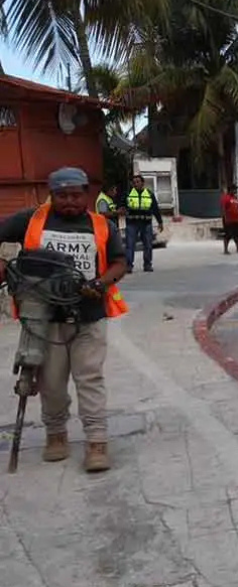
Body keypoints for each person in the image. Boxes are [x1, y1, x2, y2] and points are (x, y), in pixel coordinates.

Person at [0, 167, 129, 472]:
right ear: (51, 194)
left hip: (89, 316)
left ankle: (97, 442)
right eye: (62, 195)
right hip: (45, 320)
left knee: (90, 379)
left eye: (75, 195)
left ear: (86, 194)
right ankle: (55, 435)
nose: (69, 201)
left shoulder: (102, 225)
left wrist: (101, 283)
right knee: (52, 383)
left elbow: (120, 262)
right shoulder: (31, 219)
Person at [125, 174, 163, 272]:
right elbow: (121, 206)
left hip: (146, 223)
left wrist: (160, 222)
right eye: (134, 182)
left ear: (142, 183)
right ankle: (129, 265)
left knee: (148, 245)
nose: (136, 184)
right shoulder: (128, 194)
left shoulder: (149, 194)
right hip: (132, 223)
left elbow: (155, 209)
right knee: (130, 245)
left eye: (138, 182)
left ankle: (147, 264)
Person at [220, 185, 238, 255]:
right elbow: (223, 209)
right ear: (230, 190)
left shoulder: (236, 199)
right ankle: (225, 250)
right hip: (229, 220)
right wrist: (225, 218)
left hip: (237, 220)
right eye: (234, 189)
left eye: (235, 189)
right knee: (228, 234)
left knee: (237, 234)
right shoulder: (225, 198)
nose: (235, 191)